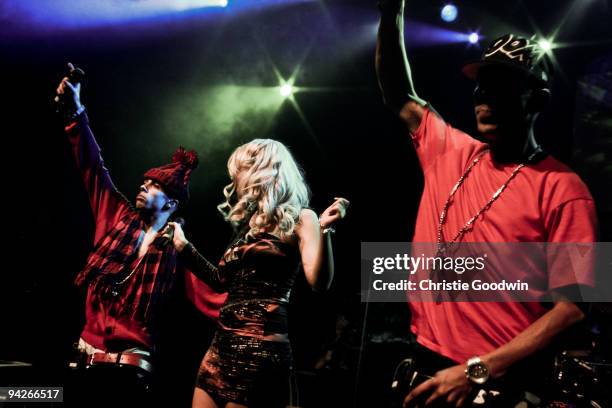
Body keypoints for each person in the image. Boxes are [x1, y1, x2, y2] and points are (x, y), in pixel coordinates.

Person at [376, 1, 598, 406]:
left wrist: (476, 370)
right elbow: (399, 94)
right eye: (483, 85)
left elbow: (573, 311)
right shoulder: (452, 152)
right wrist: (391, 15)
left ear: (537, 99)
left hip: (493, 381)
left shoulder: (565, 189)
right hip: (426, 366)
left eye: (504, 86)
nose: (486, 96)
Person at [56, 64, 226, 405]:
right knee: (30, 398)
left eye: (153, 186)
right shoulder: (117, 215)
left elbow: (215, 299)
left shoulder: (179, 248)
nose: (142, 187)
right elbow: (93, 167)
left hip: (130, 373)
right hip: (82, 358)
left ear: (172, 202)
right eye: (144, 182)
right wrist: (76, 110)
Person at [165, 139, 349, 407]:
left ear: (261, 170)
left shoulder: (302, 218)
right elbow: (220, 281)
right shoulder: (248, 225)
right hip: (220, 347)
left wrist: (325, 229)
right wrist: (183, 246)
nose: (236, 180)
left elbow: (319, 282)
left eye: (239, 171)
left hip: (259, 350)